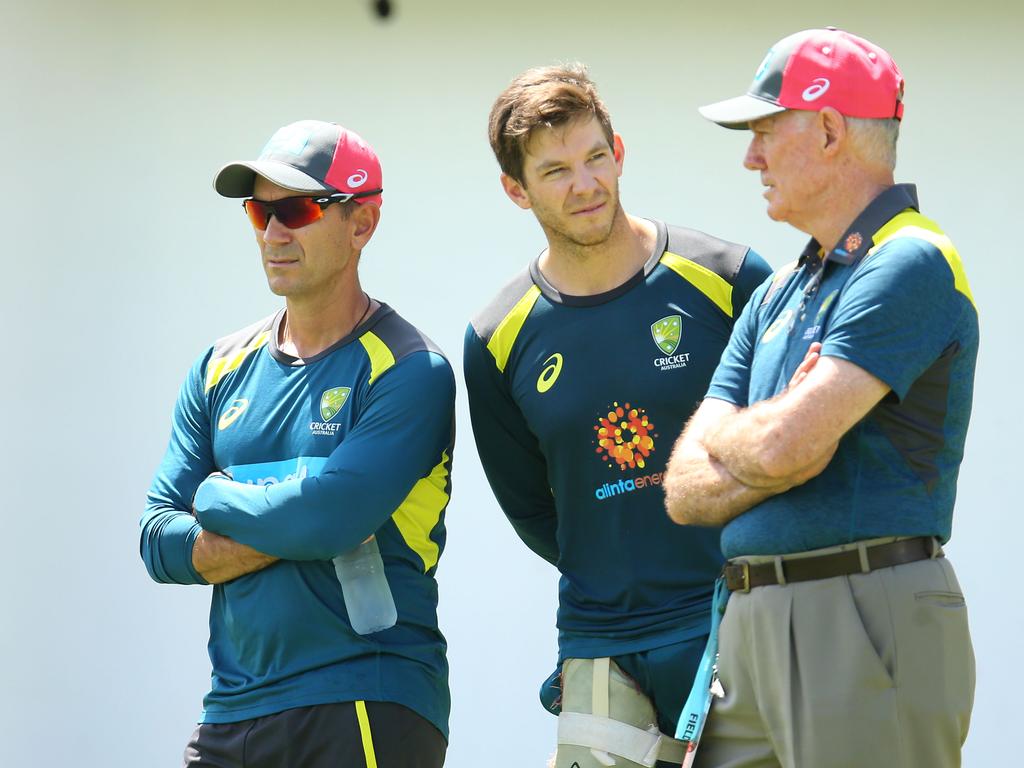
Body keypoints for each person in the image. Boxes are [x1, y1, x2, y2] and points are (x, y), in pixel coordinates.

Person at [664, 28, 977, 768]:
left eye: (766, 132)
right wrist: (775, 442)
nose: (751, 157)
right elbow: (682, 486)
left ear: (830, 130)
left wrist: (755, 441)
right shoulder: (776, 292)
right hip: (747, 624)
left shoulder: (911, 261)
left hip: (860, 612)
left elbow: (781, 446)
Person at [463, 64, 772, 767]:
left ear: (620, 152)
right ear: (516, 190)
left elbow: (790, 438)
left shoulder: (729, 277)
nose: (586, 184)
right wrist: (618, 562)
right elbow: (534, 510)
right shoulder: (494, 338)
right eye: (556, 171)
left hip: (735, 618)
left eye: (596, 157)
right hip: (599, 638)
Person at [140, 120, 454, 768]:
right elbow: (155, 539)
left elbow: (329, 519)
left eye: (298, 208)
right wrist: (300, 499)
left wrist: (216, 494)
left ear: (362, 224)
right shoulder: (218, 367)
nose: (273, 232)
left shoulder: (409, 368)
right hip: (231, 709)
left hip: (366, 696)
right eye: (260, 211)